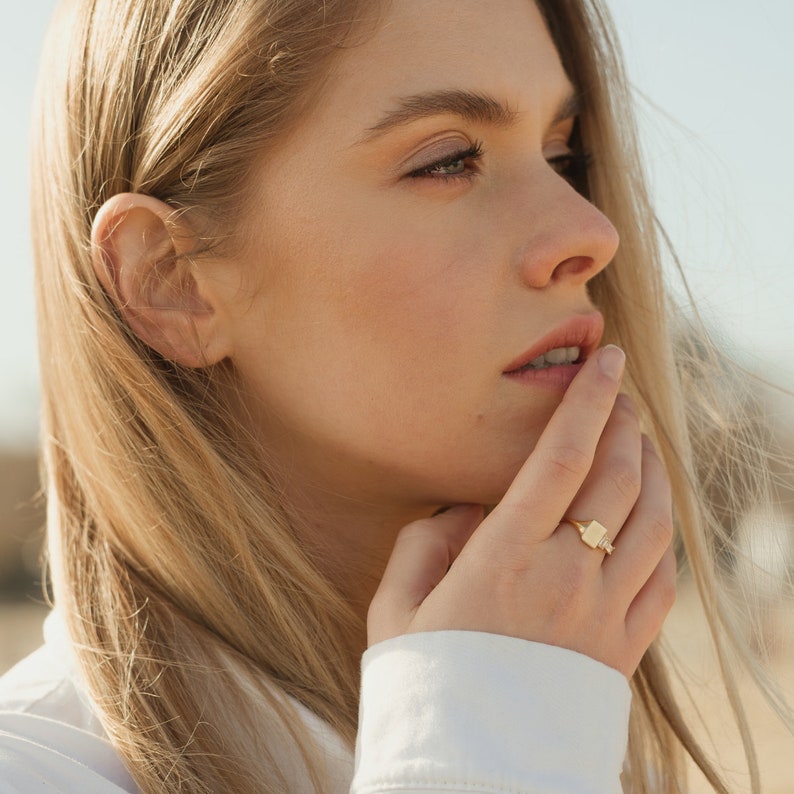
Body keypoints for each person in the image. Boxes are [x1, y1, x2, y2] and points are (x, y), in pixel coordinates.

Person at [0, 0, 788, 791]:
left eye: (563, 153)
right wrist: (490, 738)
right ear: (171, 281)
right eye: (447, 160)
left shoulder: (583, 726)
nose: (590, 232)